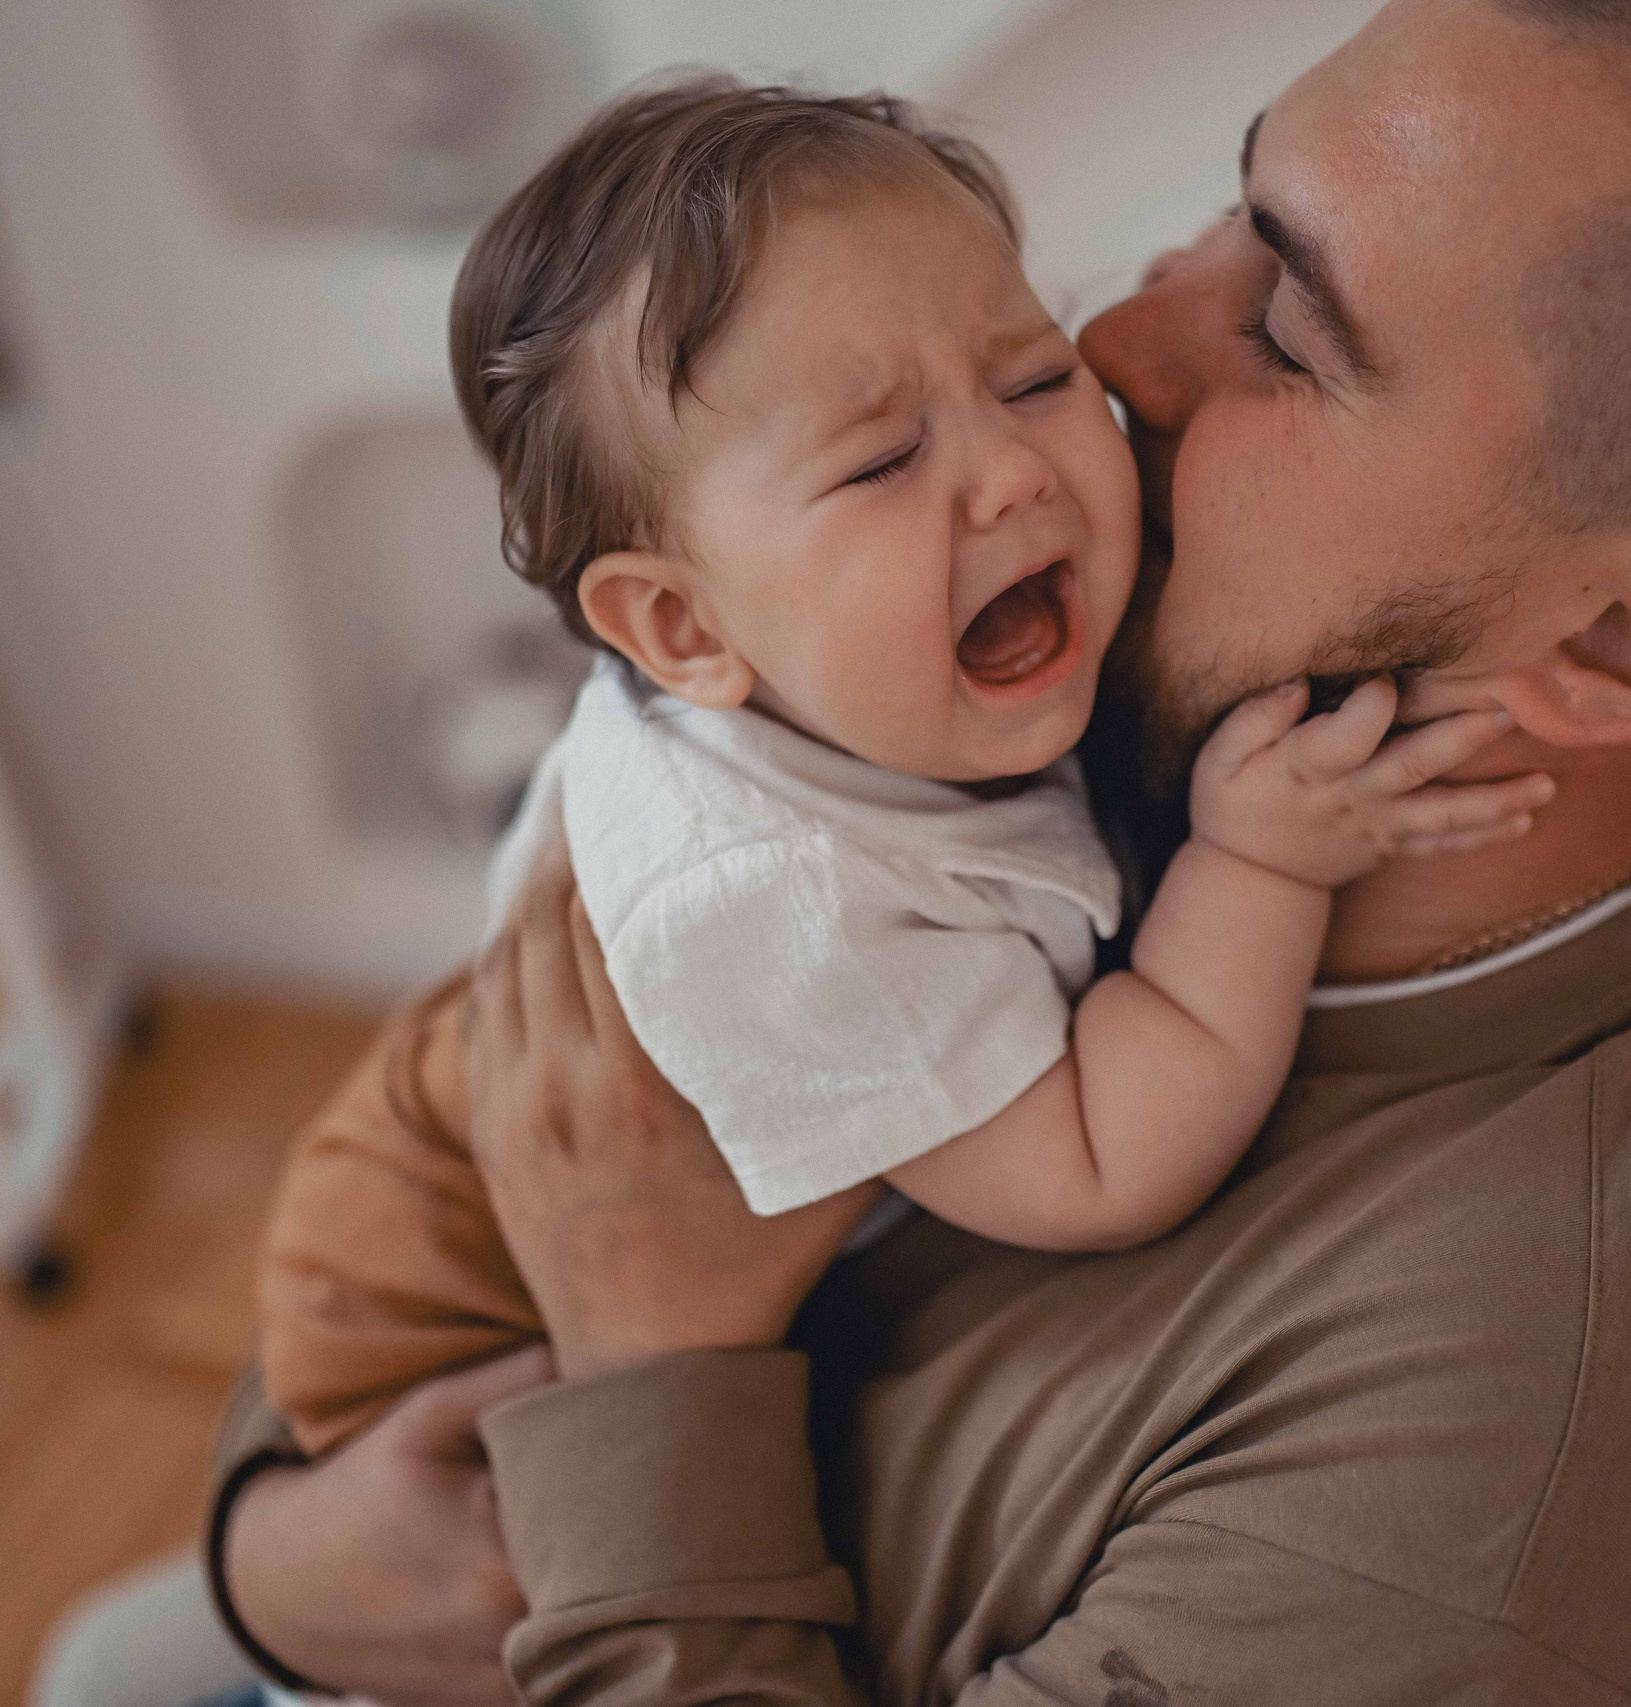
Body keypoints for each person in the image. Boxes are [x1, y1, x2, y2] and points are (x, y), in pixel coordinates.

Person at [56, 0, 1631, 1701]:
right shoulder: (1083, 715)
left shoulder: (1464, 1549)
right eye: (1224, 213)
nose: (1112, 343)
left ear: (1626, 635)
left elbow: (584, 1202)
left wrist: (645, 1364)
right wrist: (281, 1547)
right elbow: (480, 1130)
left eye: (1288, 331)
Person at [256, 81, 1548, 1455]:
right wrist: (1260, 866)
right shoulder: (780, 898)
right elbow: (1101, 1162)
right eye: (881, 462)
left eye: (1036, 379)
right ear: (685, 631)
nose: (1014, 474)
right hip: (430, 1311)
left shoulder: (871, 663)